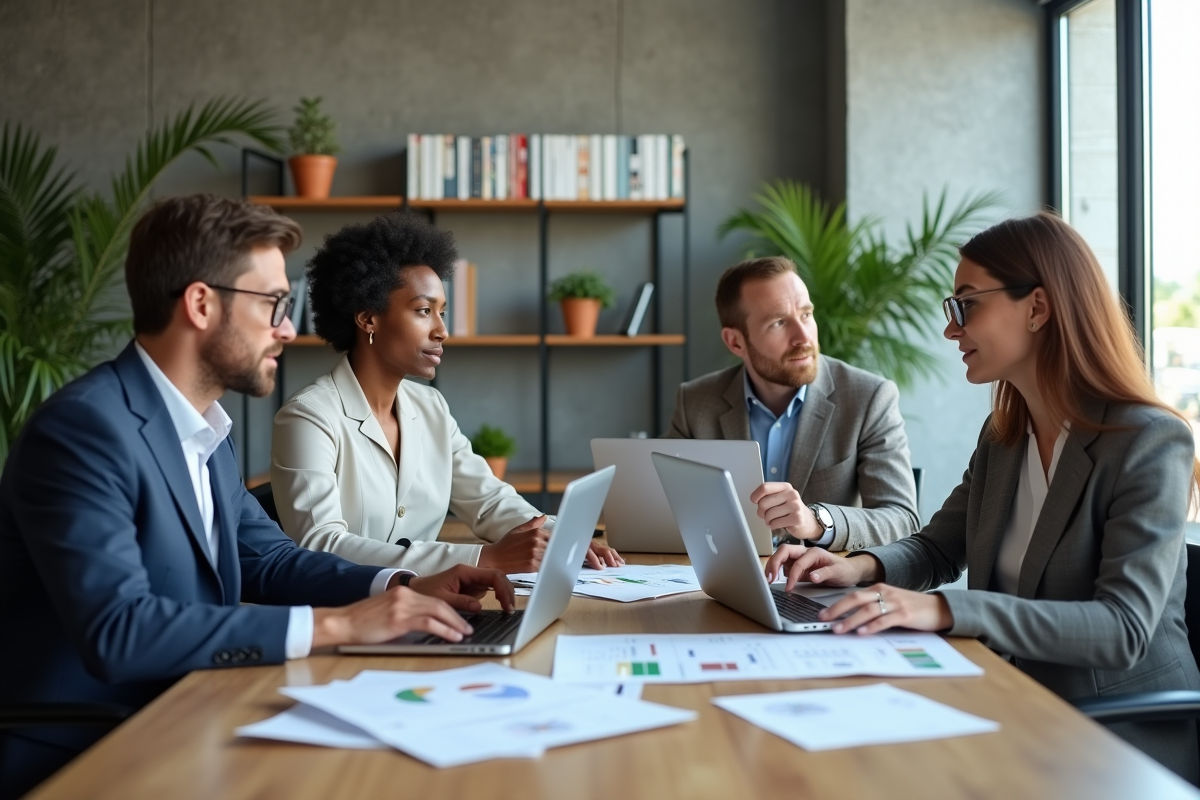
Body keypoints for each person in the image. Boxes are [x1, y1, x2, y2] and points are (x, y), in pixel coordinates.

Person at [0, 195, 515, 798]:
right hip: (89, 750)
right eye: (274, 303)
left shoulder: (206, 430)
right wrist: (337, 624)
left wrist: (400, 587)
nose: (289, 328)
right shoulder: (86, 430)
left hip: (195, 708)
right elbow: (121, 630)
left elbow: (268, 560)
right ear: (200, 304)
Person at [765, 212, 1200, 780]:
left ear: (1038, 308)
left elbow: (1123, 628)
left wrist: (944, 610)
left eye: (966, 305)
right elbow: (937, 550)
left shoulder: (1147, 441)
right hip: (1008, 701)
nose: (952, 330)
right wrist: (855, 568)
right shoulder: (1004, 438)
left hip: (1116, 738)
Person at [270, 212, 622, 574]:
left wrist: (561, 534)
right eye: (424, 311)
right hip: (347, 614)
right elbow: (318, 544)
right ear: (368, 319)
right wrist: (480, 559)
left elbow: (488, 501)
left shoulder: (431, 407)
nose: (442, 331)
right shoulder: (309, 416)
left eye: (442, 312)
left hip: (427, 607)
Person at [666, 256, 919, 552]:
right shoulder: (696, 402)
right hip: (728, 578)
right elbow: (656, 505)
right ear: (736, 342)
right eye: (779, 322)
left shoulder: (869, 398)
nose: (803, 337)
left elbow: (902, 520)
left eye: (806, 315)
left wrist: (817, 521)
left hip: (823, 585)